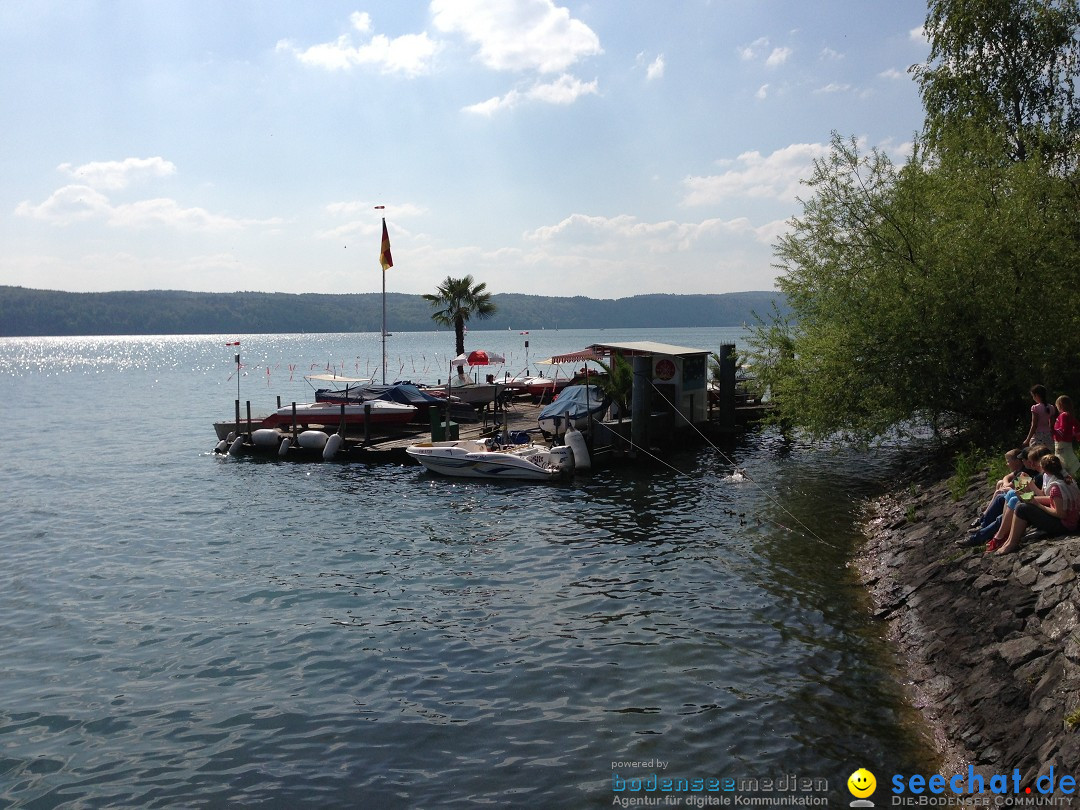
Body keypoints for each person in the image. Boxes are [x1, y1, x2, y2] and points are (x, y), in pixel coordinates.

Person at [988, 454, 1080, 555]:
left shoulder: (1055, 487)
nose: (1032, 465)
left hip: (1065, 525)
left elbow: (1061, 514)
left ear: (1044, 469)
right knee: (1017, 500)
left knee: (1020, 507)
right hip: (1070, 521)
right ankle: (1007, 539)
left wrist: (1037, 503)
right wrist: (1030, 497)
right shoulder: (1066, 478)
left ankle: (1008, 541)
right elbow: (1055, 501)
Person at [958, 446, 1046, 547]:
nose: (1024, 462)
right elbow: (1022, 489)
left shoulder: (1036, 475)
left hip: (1033, 505)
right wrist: (1019, 491)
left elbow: (1037, 495)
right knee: (1003, 499)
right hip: (1029, 501)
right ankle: (984, 528)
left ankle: (979, 537)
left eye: (1024, 459)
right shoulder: (1031, 473)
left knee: (1004, 514)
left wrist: (1019, 490)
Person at [1053, 394, 1080, 476]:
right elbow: (1077, 426)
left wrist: (1052, 430)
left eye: (1057, 405)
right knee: (1066, 461)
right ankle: (1070, 481)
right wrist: (1076, 435)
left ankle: (1065, 481)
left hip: (1061, 442)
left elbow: (1062, 429)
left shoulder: (1063, 415)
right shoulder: (1070, 415)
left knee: (1061, 463)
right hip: (1067, 442)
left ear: (1060, 405)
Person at [1023, 384, 1056, 448]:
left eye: (1033, 396)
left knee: (1036, 455)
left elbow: (1034, 425)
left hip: (1038, 435)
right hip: (1048, 435)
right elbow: (1052, 425)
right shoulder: (1051, 407)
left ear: (1037, 395)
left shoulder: (1035, 408)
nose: (1033, 398)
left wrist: (1027, 439)